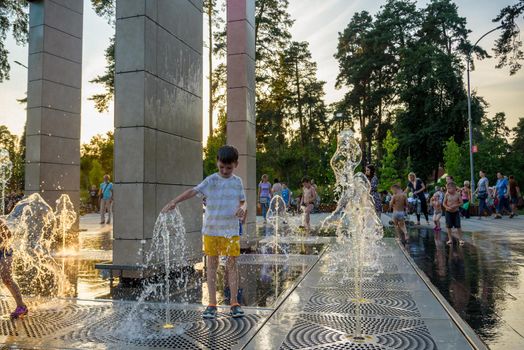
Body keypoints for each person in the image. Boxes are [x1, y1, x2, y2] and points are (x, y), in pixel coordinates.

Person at [162, 145, 246, 319]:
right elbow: (193, 191)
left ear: (235, 164)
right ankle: (212, 304)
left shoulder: (237, 182)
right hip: (211, 231)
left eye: (228, 168)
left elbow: (243, 202)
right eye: (221, 167)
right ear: (217, 162)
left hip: (230, 231)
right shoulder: (211, 180)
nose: (224, 170)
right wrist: (175, 201)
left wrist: (243, 209)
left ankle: (234, 303)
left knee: (232, 266)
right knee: (212, 266)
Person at [0, 218, 28, 319]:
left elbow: (9, 236)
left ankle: (21, 306)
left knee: (7, 279)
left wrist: (2, 245)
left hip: (3, 252)